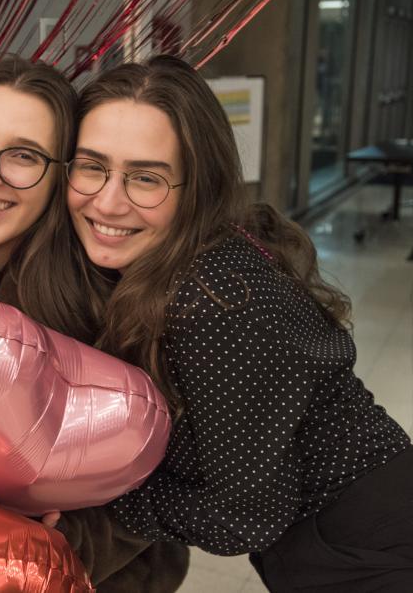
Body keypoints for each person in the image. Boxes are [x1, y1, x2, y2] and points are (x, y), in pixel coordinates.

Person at [58, 54, 413, 591]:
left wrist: (102, 495)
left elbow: (245, 516)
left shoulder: (213, 299)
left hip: (367, 542)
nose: (107, 202)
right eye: (91, 166)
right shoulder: (194, 254)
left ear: (196, 186)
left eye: (146, 178)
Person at [0, 54, 189, 592]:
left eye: (23, 155)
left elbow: (157, 474)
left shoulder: (108, 284)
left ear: (64, 174)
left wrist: (58, 546)